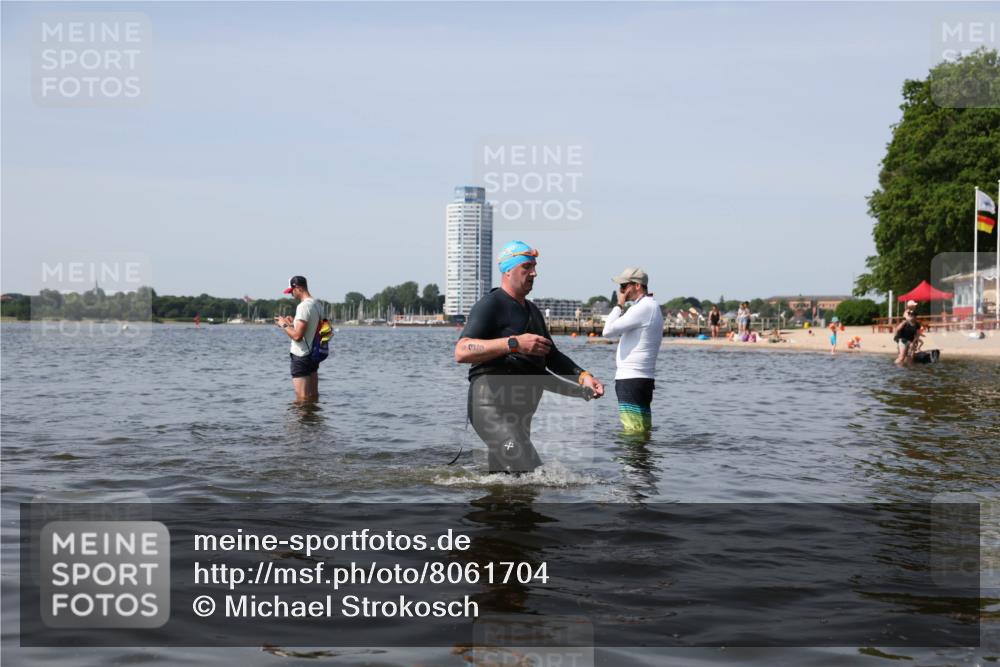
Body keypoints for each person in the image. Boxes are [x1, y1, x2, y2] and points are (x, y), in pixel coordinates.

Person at [454, 241, 605, 473]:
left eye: (534, 267)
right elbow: (462, 350)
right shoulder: (490, 305)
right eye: (527, 267)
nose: (534, 273)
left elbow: (552, 356)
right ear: (508, 271)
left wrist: (583, 377)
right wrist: (513, 344)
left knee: (508, 481)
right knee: (530, 469)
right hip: (489, 406)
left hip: (521, 411)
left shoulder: (533, 311)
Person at [602, 268, 663, 434]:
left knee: (633, 432)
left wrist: (619, 304)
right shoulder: (649, 306)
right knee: (641, 430)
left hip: (631, 379)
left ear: (637, 285)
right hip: (639, 378)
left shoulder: (643, 307)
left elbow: (607, 330)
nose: (621, 291)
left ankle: (633, 460)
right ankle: (642, 459)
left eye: (624, 286)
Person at [276, 275, 322, 401]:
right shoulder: (317, 304)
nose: (291, 295)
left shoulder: (303, 306)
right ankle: (313, 420)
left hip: (301, 356)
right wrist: (292, 323)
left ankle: (303, 421)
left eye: (292, 291)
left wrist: (283, 324)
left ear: (299, 288)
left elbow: (297, 336)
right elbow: (312, 329)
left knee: (302, 399)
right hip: (313, 354)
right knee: (313, 397)